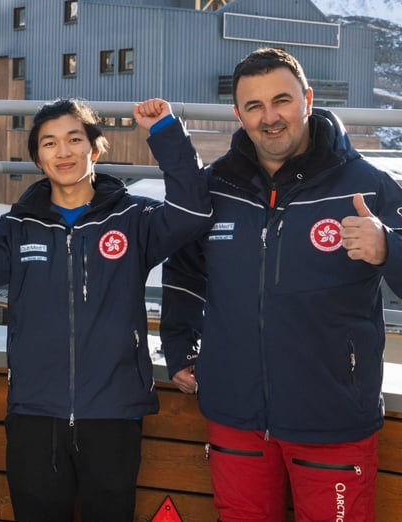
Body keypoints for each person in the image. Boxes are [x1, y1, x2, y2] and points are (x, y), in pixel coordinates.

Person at [160, 47, 402, 522]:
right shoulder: (216, 188)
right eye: (254, 106)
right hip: (235, 413)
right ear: (239, 114)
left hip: (332, 415)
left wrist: (387, 248)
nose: (270, 118)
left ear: (308, 99)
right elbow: (184, 271)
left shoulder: (370, 187)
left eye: (282, 100)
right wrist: (181, 349)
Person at [0, 98, 211, 521]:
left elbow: (193, 213)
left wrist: (165, 133)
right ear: (38, 157)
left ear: (96, 149)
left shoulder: (133, 218)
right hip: (35, 413)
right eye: (49, 143)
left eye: (74, 139)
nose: (63, 152)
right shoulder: (19, 226)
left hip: (113, 412)